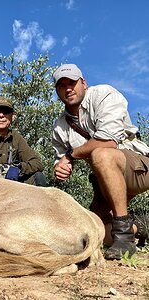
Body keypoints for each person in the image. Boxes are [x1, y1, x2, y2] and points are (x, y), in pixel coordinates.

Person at [51, 63, 149, 260]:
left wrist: (71, 155)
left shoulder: (104, 94)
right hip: (106, 180)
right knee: (92, 230)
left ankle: (123, 237)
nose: (68, 88)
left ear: (83, 83)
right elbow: (59, 158)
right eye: (62, 85)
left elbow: (108, 141)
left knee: (101, 154)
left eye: (72, 82)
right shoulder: (59, 126)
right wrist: (59, 167)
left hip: (139, 168)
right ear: (57, 91)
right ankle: (140, 227)